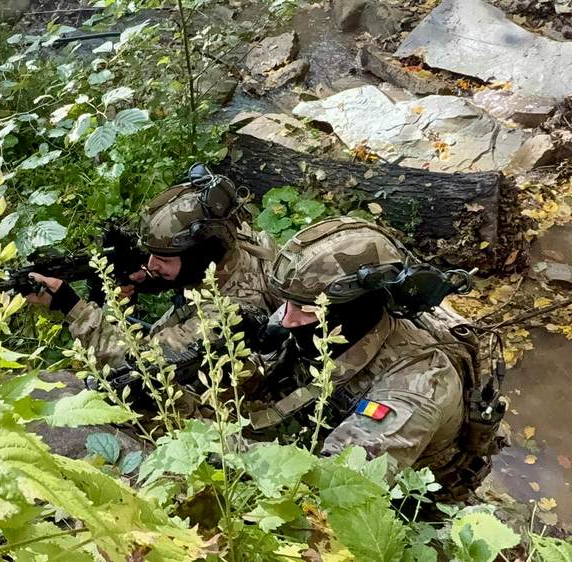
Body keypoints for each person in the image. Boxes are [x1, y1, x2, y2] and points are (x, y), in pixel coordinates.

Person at [247, 216, 502, 493]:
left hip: (411, 498)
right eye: (289, 303)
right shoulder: (324, 318)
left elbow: (333, 488)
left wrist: (229, 450)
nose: (286, 319)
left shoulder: (415, 389)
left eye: (306, 310)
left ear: (355, 310)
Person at [25, 167, 280, 371]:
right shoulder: (233, 241)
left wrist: (71, 307)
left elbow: (138, 365)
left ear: (199, 258)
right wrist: (153, 280)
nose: (151, 265)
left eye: (163, 259)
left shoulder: (224, 318)